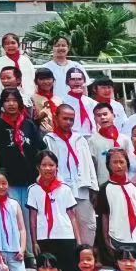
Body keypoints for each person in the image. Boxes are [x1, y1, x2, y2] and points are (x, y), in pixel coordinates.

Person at [43, 103, 97, 247]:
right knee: (65, 225)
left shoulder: (79, 139)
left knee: (88, 223)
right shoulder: (49, 139)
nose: (68, 122)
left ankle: (86, 253)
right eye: (65, 118)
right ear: (56, 118)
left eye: (71, 119)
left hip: (81, 188)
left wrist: (93, 186)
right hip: (60, 189)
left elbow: (89, 164)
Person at [27, 151, 80, 271]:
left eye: (51, 165)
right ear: (38, 167)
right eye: (44, 165)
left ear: (56, 167)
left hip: (65, 235)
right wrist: (34, 242)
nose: (48, 168)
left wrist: (78, 240)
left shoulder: (65, 189)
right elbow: (32, 218)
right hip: (43, 237)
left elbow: (72, 216)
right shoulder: (33, 190)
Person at [96, 148, 136, 270]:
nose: (119, 166)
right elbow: (104, 215)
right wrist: (106, 239)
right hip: (118, 236)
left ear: (127, 164)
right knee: (123, 270)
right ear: (108, 165)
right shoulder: (105, 188)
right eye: (114, 162)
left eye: (121, 162)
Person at [0, 90, 42, 211]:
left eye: (14, 100)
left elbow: (40, 148)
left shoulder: (29, 124)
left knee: (30, 215)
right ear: (2, 104)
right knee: (12, 215)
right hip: (8, 181)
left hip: (30, 180)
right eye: (7, 101)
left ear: (20, 103)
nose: (11, 104)